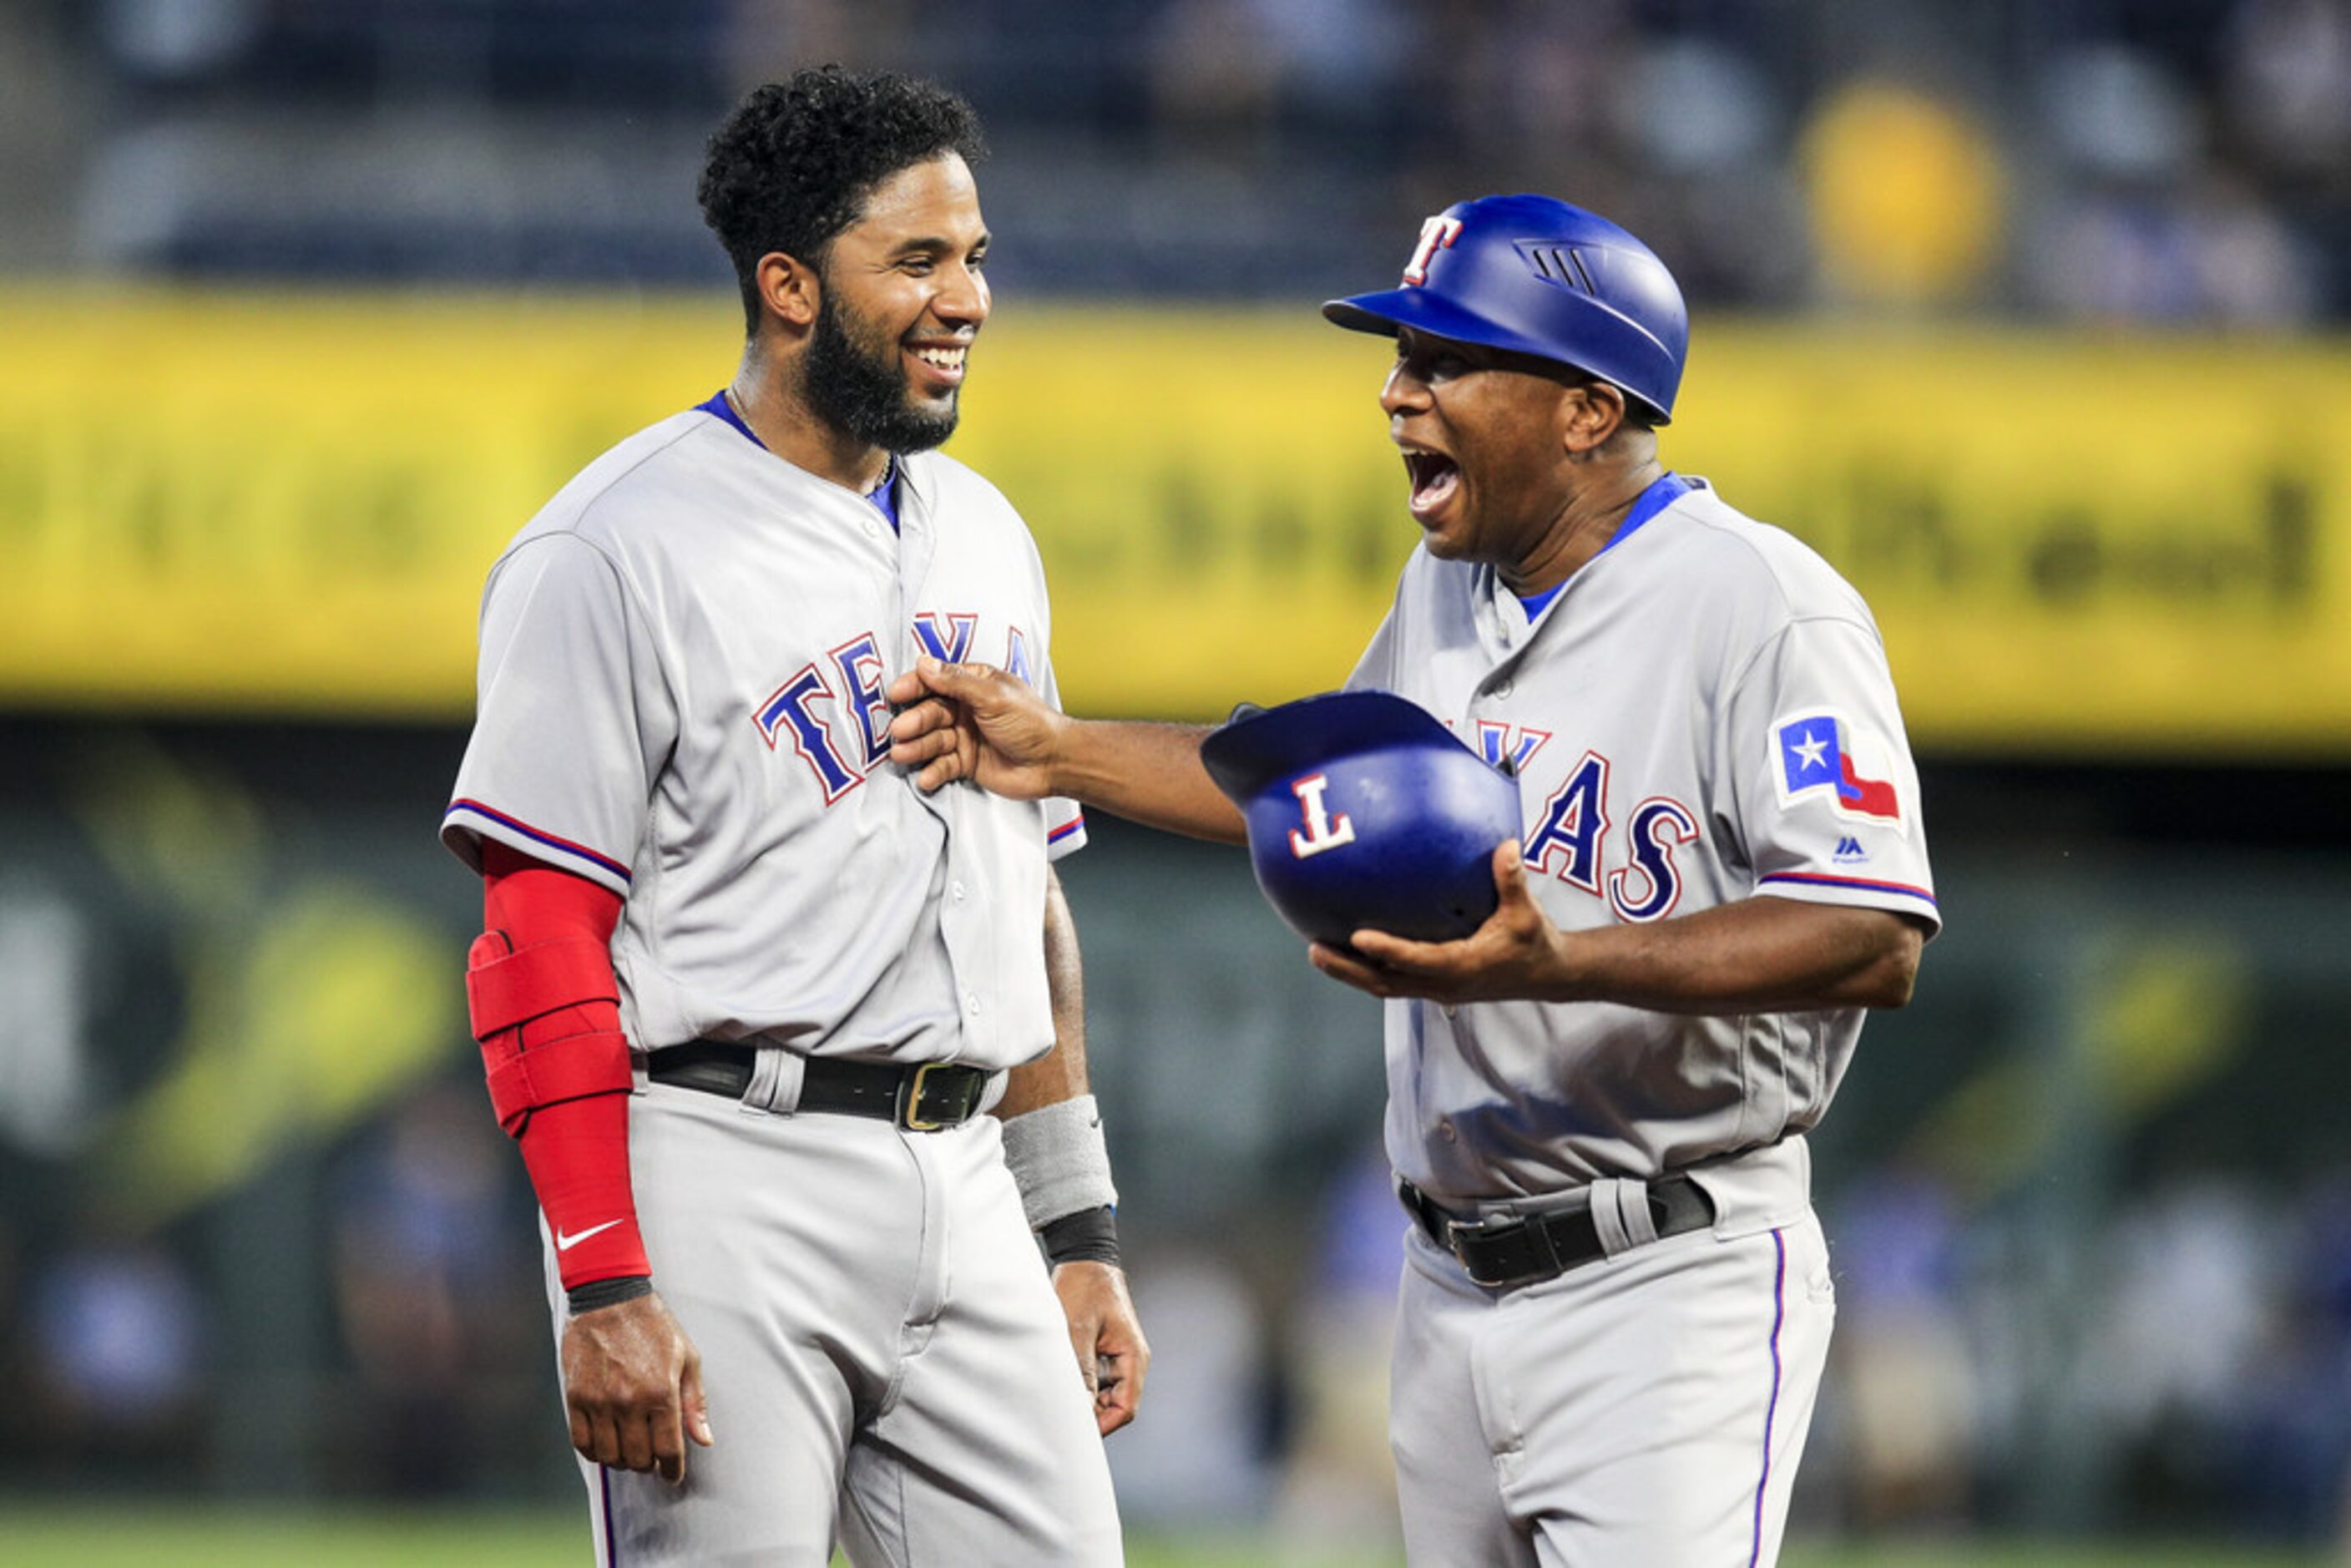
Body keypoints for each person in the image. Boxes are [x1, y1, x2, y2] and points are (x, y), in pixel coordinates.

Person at [887, 193, 1939, 1566]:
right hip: (1445, 1281)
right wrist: (1061, 749)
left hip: (1670, 1280)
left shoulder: (1765, 607)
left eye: (1447, 360)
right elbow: (1317, 784)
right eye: (1402, 356)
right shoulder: (1450, 589)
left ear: (1585, 405)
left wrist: (1566, 960)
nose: (1397, 393)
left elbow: (1872, 934)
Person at [439, 67, 1145, 1566]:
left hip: (966, 1175)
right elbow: (538, 935)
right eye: (919, 261)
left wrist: (1073, 1230)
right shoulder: (609, 546)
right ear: (789, 286)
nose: (968, 299)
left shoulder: (991, 534)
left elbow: (1025, 904)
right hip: (722, 1167)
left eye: (977, 257)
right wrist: (602, 1277)